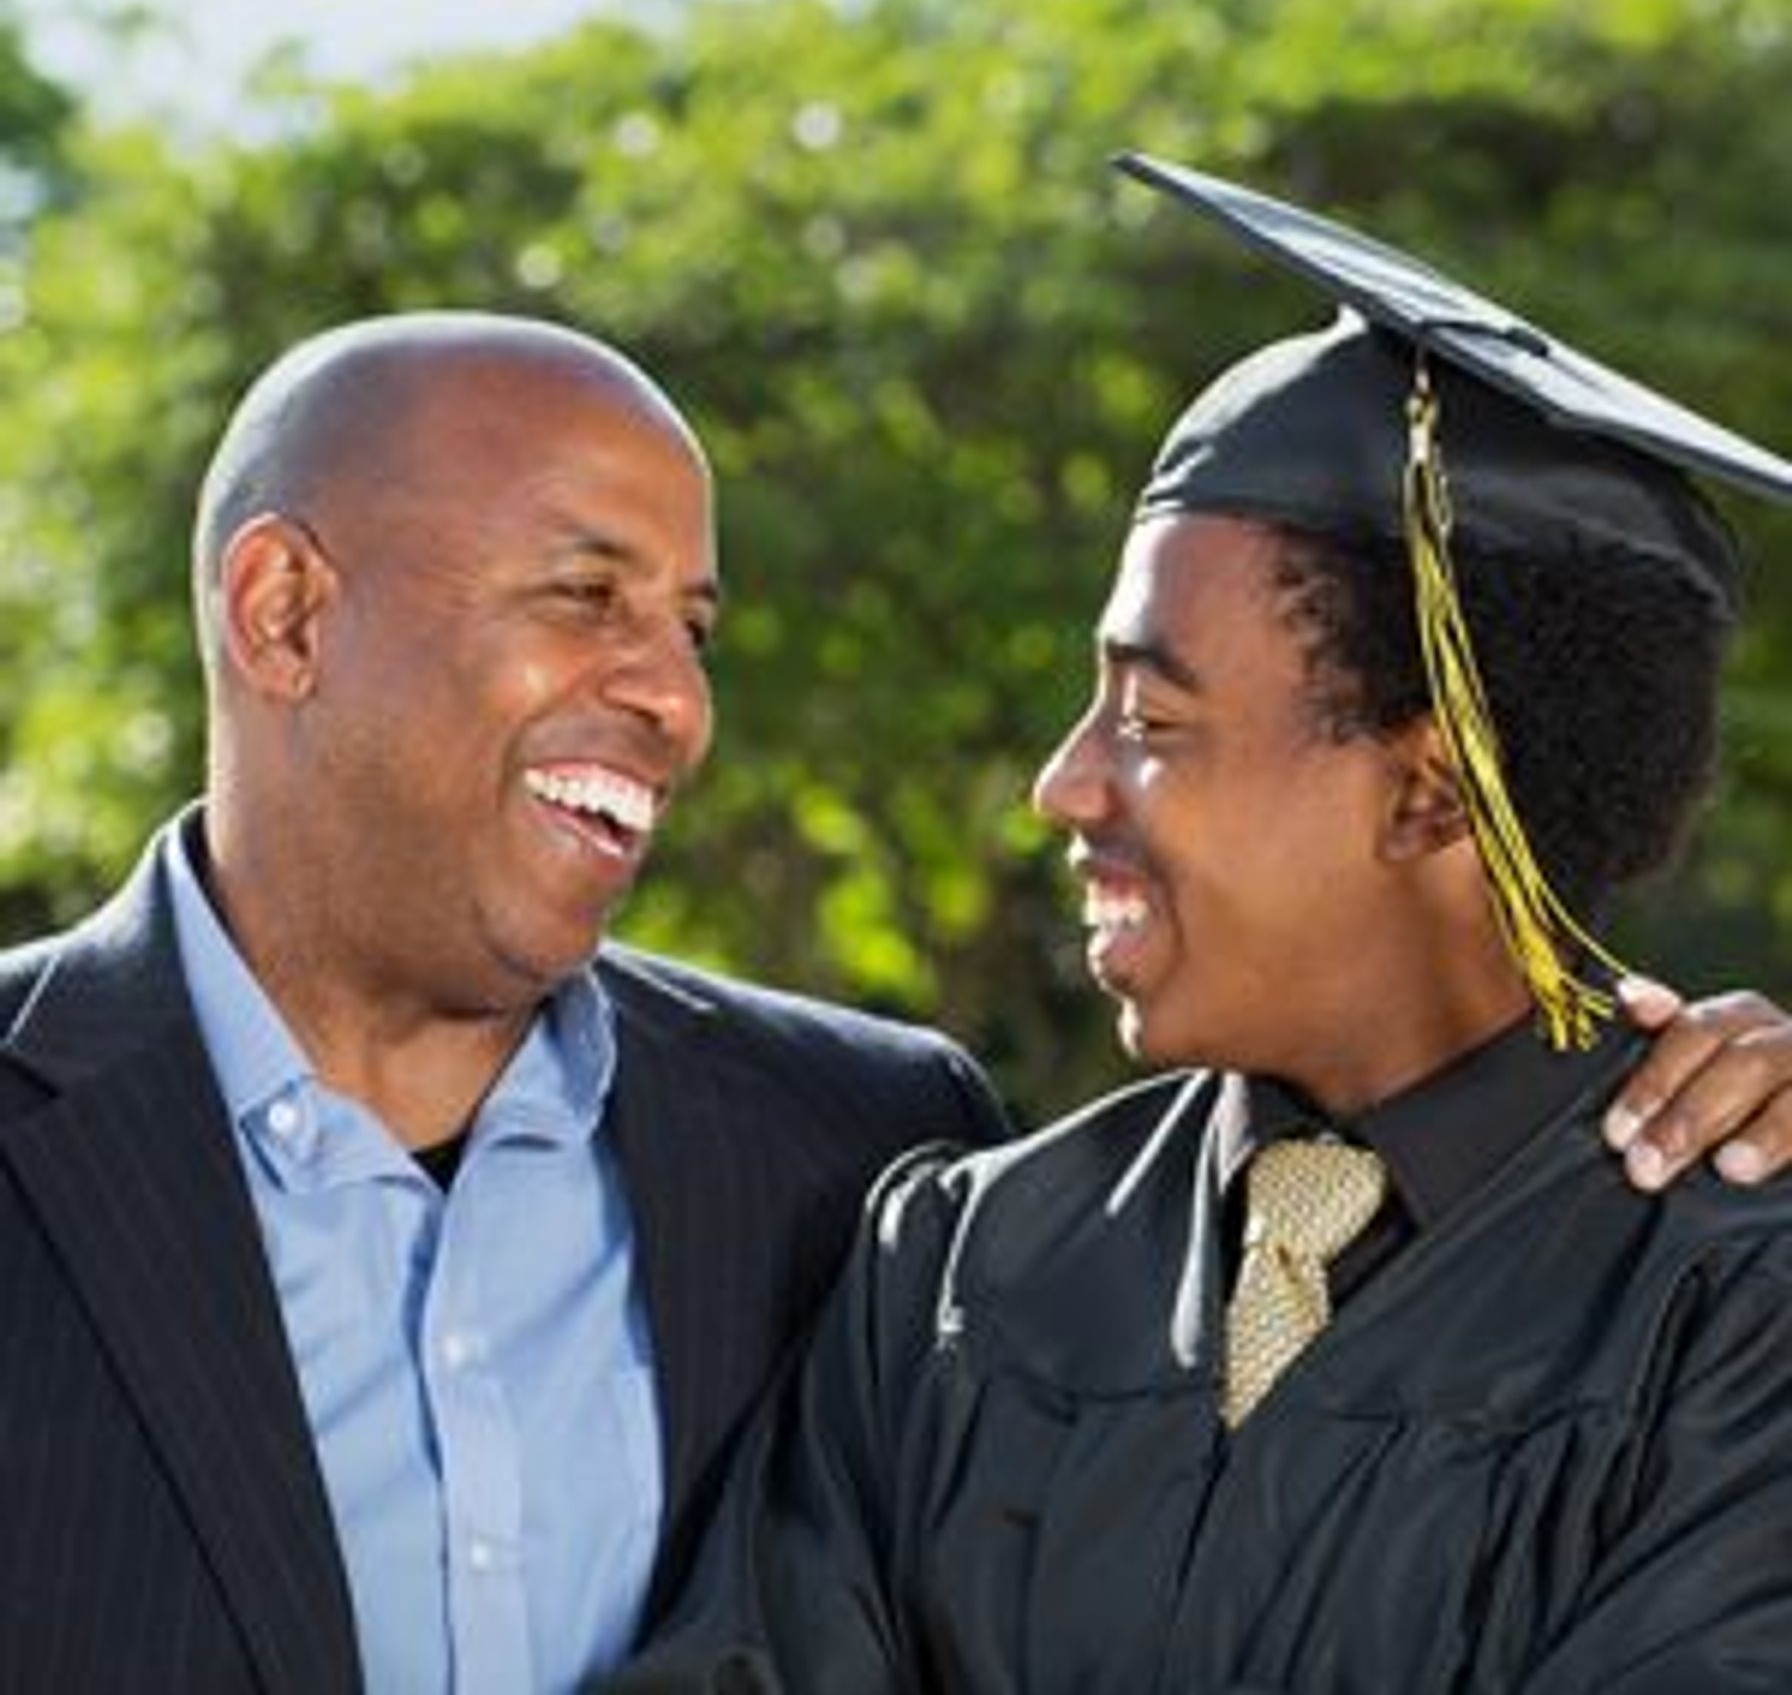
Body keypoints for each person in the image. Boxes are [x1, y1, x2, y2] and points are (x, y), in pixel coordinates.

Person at [610, 162, 1792, 1692]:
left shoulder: (1735, 1306)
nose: (1063, 784)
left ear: (1433, 793)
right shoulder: (964, 1267)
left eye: (1152, 718)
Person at [0, 313, 1008, 1693]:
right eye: (585, 597)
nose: (676, 697)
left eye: (691, 628)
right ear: (284, 613)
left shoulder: (868, 1153)